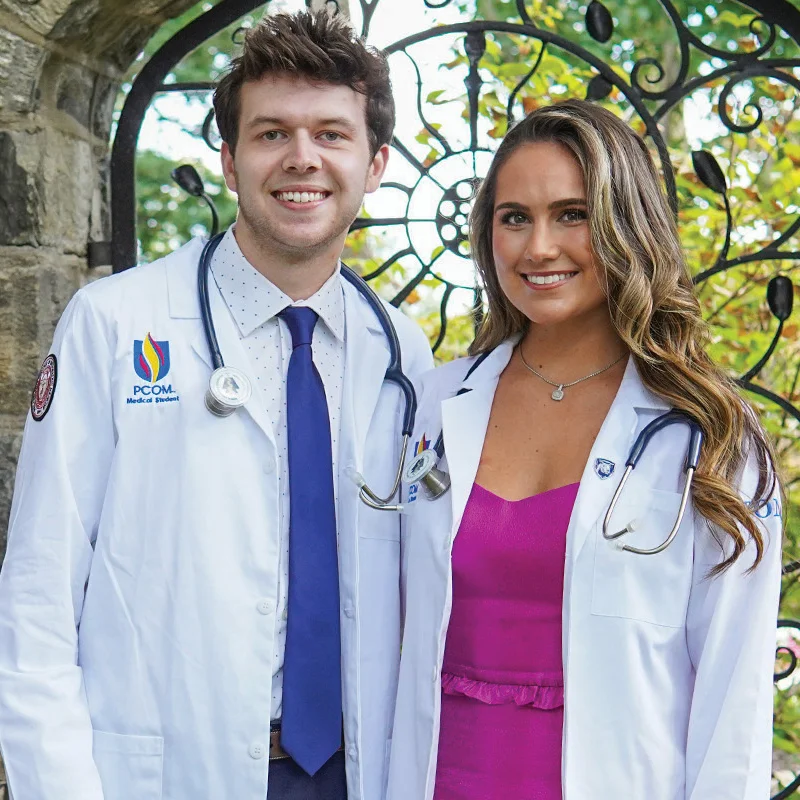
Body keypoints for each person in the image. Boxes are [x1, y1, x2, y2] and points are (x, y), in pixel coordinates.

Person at [0, 11, 432, 800]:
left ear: (375, 165)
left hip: (355, 771)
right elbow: (38, 593)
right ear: (231, 162)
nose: (302, 158)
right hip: (168, 771)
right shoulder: (115, 324)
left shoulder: (401, 352)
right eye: (272, 133)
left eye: (332, 134)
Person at [387, 99, 782, 799]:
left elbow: (735, 700)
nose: (539, 247)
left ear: (625, 224)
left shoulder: (708, 432)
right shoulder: (434, 403)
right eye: (515, 218)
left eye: (572, 215)